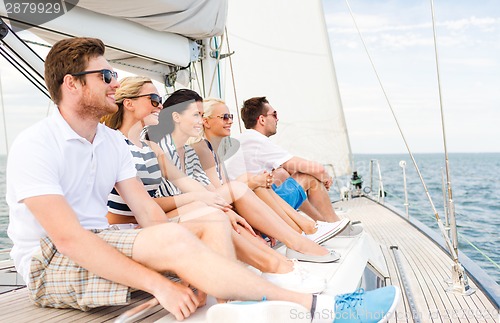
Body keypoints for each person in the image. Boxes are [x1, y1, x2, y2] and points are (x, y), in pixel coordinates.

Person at [6, 37, 399, 323]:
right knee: (186, 232)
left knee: (206, 221)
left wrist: (186, 247)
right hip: (48, 260)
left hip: (101, 240)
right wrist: (161, 282)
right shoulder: (36, 145)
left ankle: (227, 309)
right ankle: (318, 308)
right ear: (71, 84)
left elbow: (148, 214)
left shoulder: (109, 142)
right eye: (105, 74)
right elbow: (69, 239)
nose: (114, 81)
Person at [100, 76, 325, 293]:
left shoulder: (151, 147)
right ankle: (275, 263)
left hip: (152, 217)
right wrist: (204, 201)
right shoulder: (116, 144)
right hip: (130, 228)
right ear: (128, 103)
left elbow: (188, 184)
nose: (160, 107)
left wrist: (220, 205)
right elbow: (140, 207)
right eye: (154, 101)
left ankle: (279, 262)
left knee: (220, 204)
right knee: (218, 205)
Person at [148, 89, 346, 263]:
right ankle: (303, 235)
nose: (230, 121)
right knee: (249, 183)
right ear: (176, 117)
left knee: (251, 184)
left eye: (202, 115)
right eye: (197, 115)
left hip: (202, 204)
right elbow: (203, 194)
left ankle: (301, 235)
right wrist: (234, 198)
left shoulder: (189, 153)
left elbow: (208, 191)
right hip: (174, 213)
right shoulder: (163, 146)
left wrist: (227, 205)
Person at [193, 97, 348, 245]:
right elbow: (218, 196)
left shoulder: (220, 148)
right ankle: (320, 225)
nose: (230, 121)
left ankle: (313, 224)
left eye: (231, 116)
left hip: (247, 203)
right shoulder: (251, 139)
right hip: (243, 207)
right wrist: (324, 176)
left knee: (277, 175)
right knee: (308, 178)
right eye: (225, 117)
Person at [225, 96, 363, 236]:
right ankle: (336, 226)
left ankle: (322, 223)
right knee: (309, 177)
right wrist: (325, 177)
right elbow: (316, 169)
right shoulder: (257, 140)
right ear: (261, 119)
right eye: (274, 114)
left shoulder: (243, 138)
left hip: (245, 207)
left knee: (283, 174)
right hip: (257, 214)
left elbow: (288, 168)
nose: (277, 119)